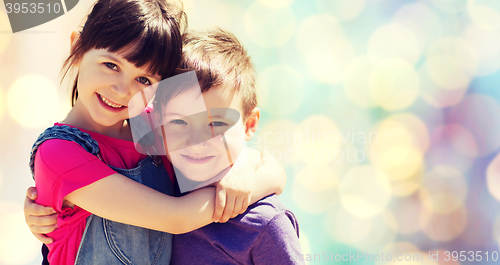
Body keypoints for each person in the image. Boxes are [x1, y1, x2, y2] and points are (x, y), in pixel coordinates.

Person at [23, 0, 286, 264]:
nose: (122, 90)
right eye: (111, 65)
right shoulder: (57, 154)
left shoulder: (154, 125)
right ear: (77, 48)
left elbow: (270, 169)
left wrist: (244, 172)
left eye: (144, 80)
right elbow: (176, 217)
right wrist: (246, 190)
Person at [151, 29, 303, 264]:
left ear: (249, 124)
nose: (196, 140)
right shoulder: (154, 184)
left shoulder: (264, 224)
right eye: (179, 121)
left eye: (216, 123)